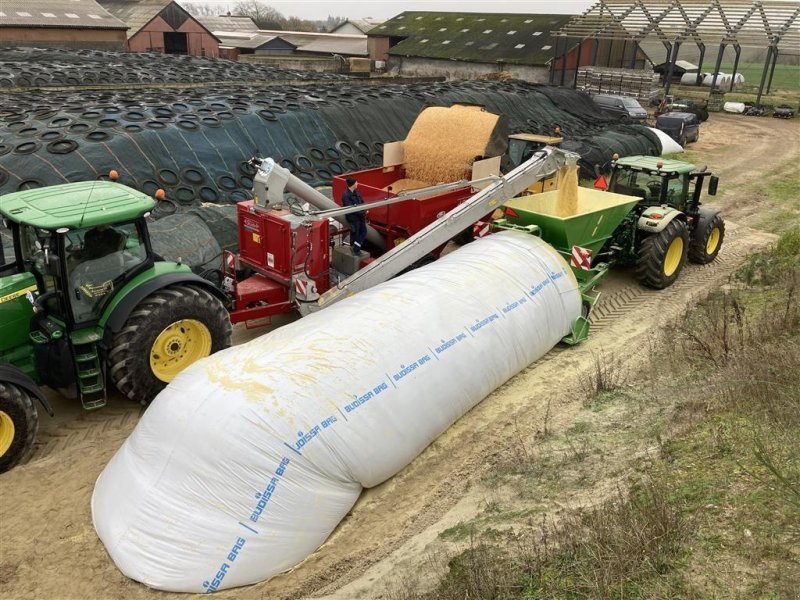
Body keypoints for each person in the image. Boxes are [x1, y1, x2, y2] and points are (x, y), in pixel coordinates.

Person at [342, 177, 367, 255]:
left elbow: (362, 202)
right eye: (356, 182)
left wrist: (364, 210)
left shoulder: (357, 193)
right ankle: (356, 249)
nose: (357, 184)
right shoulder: (346, 195)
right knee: (355, 234)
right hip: (353, 218)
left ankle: (355, 248)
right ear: (353, 184)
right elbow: (351, 208)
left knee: (363, 231)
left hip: (360, 216)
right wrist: (363, 212)